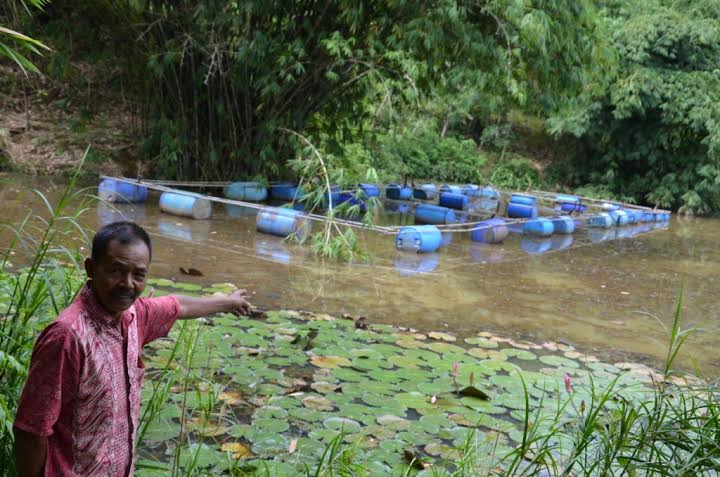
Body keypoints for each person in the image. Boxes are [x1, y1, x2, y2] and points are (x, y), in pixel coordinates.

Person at [13, 221, 252, 476]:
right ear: (91, 268)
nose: (127, 284)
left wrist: (226, 302)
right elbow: (30, 430)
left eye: (138, 274)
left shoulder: (134, 316)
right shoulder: (68, 337)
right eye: (115, 271)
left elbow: (177, 306)